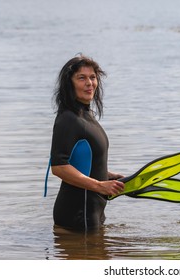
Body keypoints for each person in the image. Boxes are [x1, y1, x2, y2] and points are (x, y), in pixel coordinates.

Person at [50, 54, 124, 231]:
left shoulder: (85, 115)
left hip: (91, 211)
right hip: (77, 214)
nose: (89, 83)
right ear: (70, 83)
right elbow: (59, 167)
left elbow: (82, 162)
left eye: (92, 77)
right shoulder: (68, 119)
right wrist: (99, 185)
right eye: (81, 78)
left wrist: (108, 176)